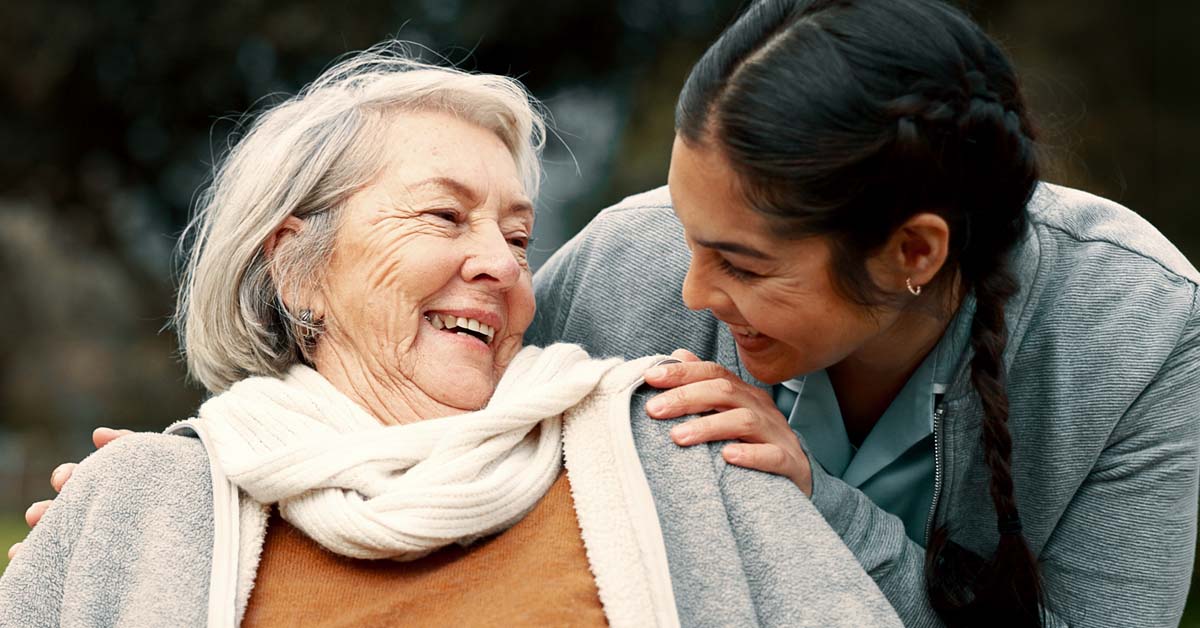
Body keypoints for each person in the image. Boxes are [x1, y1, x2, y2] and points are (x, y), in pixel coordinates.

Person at [0, 46, 901, 627]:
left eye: (516, 236)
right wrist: (114, 512)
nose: (506, 267)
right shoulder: (144, 499)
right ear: (298, 268)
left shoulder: (675, 446)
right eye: (444, 216)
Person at [527, 0, 1199, 626]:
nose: (691, 294)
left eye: (744, 266)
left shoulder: (1141, 329)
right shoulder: (619, 267)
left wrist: (813, 504)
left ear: (913, 251)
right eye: (685, 233)